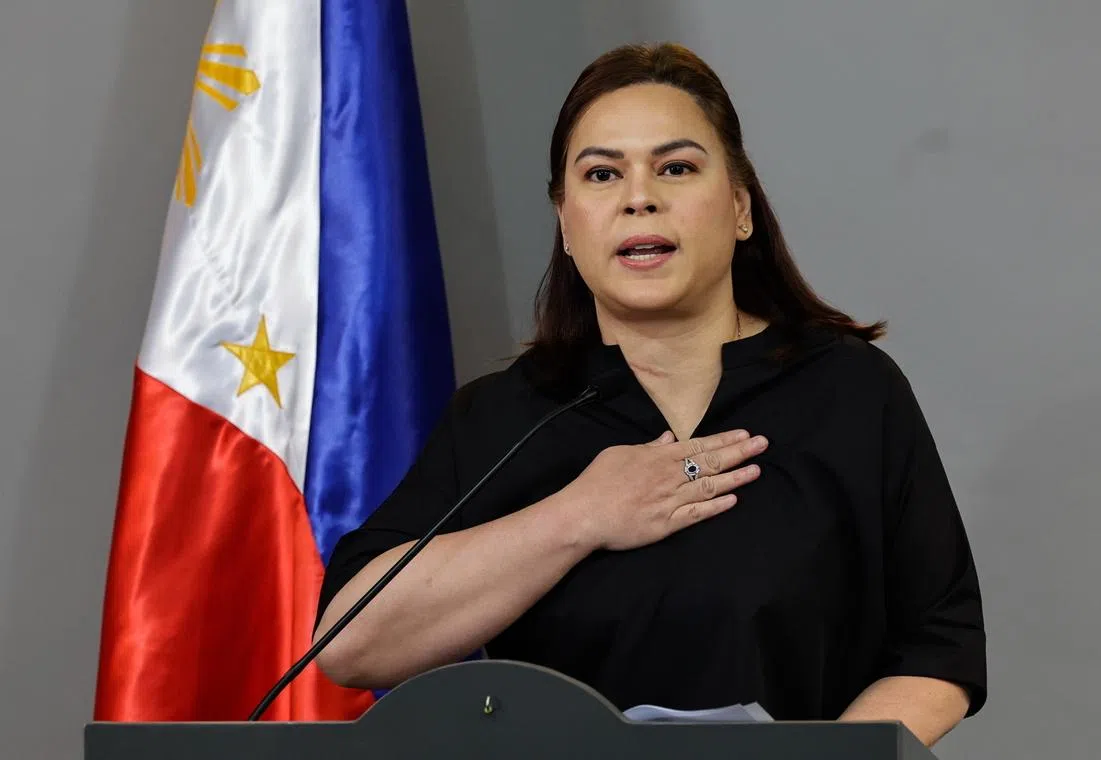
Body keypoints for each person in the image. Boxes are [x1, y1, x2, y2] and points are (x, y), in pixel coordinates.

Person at [313, 42, 986, 747]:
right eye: (602, 174)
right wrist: (579, 515)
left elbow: (939, 645)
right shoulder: (505, 415)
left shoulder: (850, 390)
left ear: (740, 208)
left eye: (676, 167)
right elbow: (351, 644)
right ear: (567, 224)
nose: (639, 196)